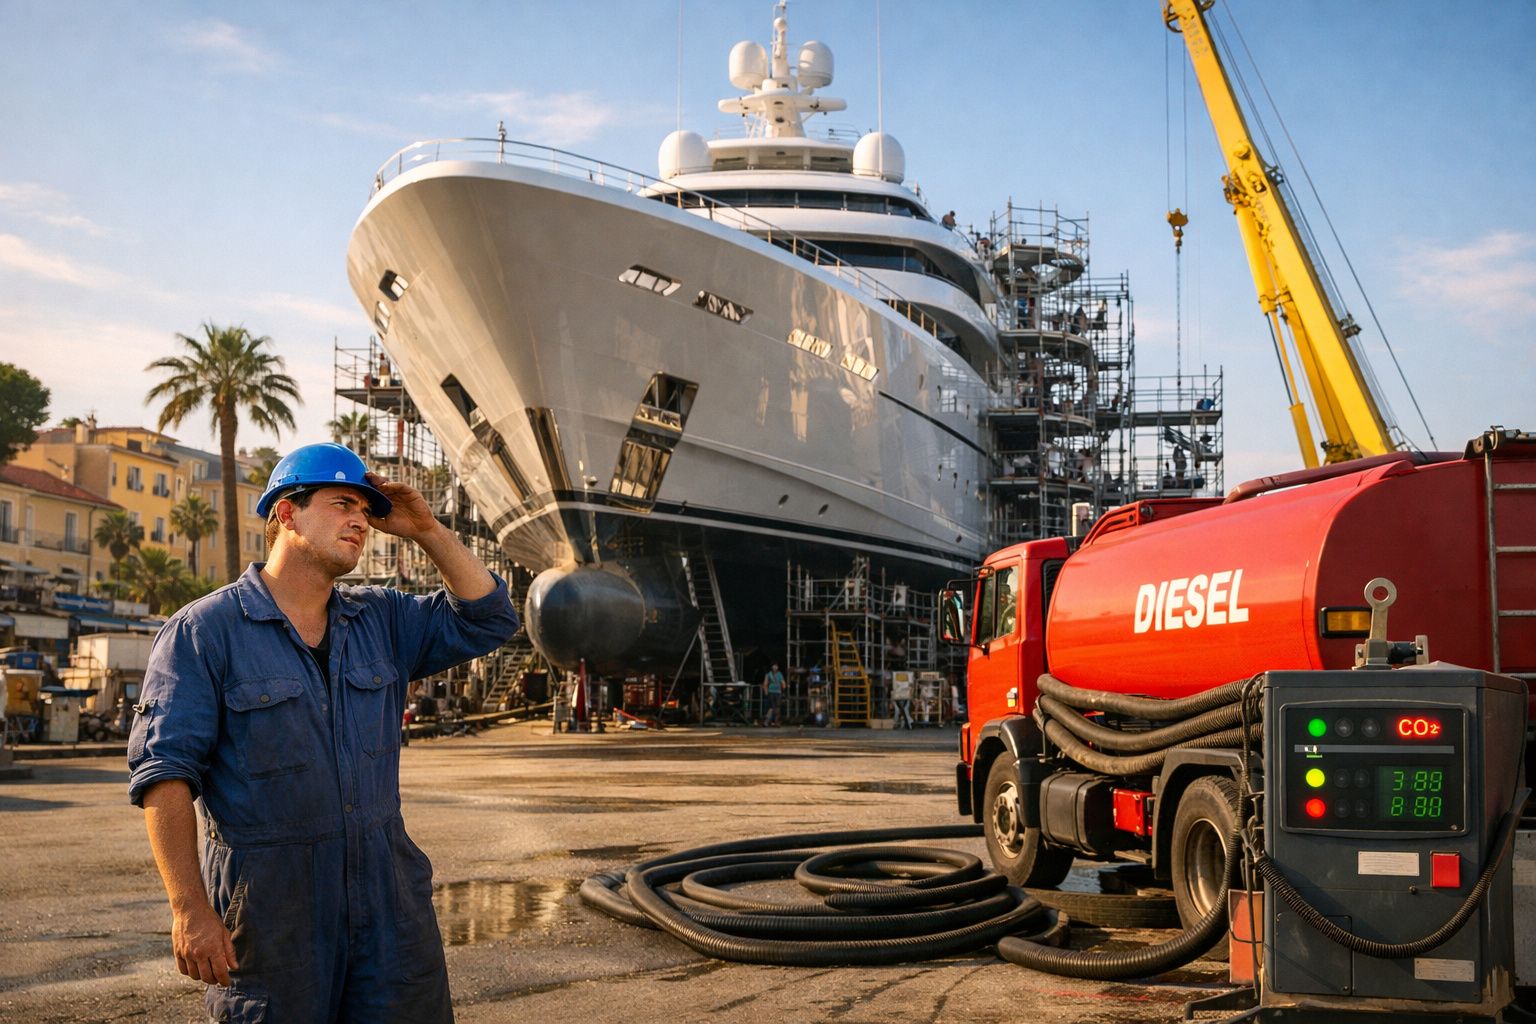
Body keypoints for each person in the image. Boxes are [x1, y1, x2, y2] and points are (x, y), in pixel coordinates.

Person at [127, 442, 518, 1022]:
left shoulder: (383, 619)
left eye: (366, 510)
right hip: (272, 914)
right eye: (342, 504)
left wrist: (428, 530)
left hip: (390, 907)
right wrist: (189, 909)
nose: (361, 521)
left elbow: (490, 617)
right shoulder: (205, 633)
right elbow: (165, 776)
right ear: (286, 512)